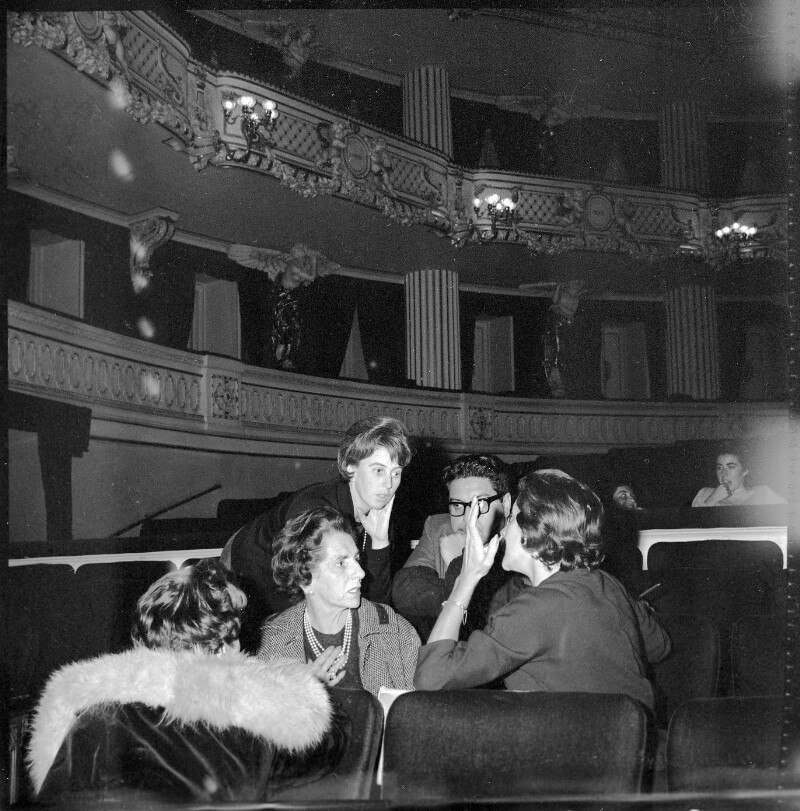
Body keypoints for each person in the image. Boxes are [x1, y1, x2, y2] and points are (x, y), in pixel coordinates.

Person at [27, 559, 348, 804]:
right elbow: (324, 753)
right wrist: (305, 685)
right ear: (223, 649)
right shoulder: (251, 727)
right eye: (236, 636)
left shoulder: (93, 721)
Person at [414, 470, 671, 710]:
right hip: (630, 735)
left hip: (572, 740)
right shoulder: (606, 582)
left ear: (531, 534)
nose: (503, 532)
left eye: (511, 520)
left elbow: (430, 677)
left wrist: (466, 579)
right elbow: (660, 646)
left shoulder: (534, 608)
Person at [223, 416, 412, 648]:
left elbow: (374, 607)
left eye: (396, 473)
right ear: (350, 466)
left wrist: (380, 542)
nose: (388, 485)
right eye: (378, 470)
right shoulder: (317, 511)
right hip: (250, 563)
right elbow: (304, 594)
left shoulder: (380, 517)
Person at [258, 507, 420, 696]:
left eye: (357, 559)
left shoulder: (395, 631)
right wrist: (302, 694)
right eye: (341, 563)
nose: (360, 572)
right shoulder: (274, 641)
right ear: (305, 579)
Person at [392, 454, 516, 640]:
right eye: (457, 505)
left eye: (480, 504)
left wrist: (458, 561)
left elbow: (494, 627)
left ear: (505, 504)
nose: (467, 518)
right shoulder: (438, 528)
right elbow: (404, 591)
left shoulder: (522, 542)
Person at [692, 444, 787, 507]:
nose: (723, 473)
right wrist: (712, 500)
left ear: (744, 471)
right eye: (719, 468)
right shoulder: (704, 494)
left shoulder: (762, 494)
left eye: (731, 467)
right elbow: (690, 528)